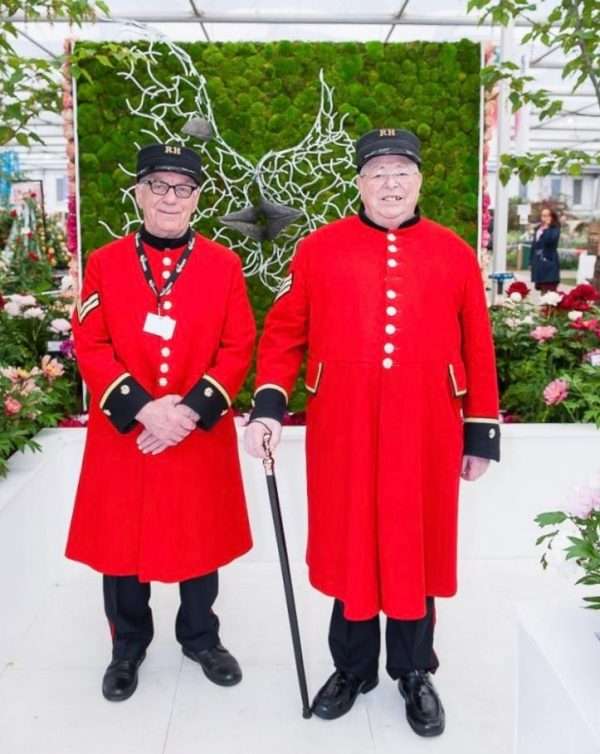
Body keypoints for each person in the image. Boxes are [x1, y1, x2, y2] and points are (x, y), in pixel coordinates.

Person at [244, 129, 500, 737]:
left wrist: (480, 431)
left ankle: (413, 671)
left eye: (401, 172)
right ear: (359, 183)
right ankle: (353, 668)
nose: (390, 184)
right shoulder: (319, 249)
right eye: (377, 173)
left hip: (427, 426)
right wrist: (269, 408)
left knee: (413, 542)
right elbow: (285, 333)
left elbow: (477, 344)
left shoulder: (455, 252)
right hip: (345, 425)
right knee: (353, 539)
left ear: (418, 182)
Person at [66, 143, 256, 702]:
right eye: (158, 186)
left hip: (195, 431)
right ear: (139, 194)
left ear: (198, 198)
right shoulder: (104, 262)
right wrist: (143, 407)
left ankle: (201, 637)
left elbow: (238, 343)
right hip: (127, 430)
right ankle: (128, 644)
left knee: (199, 534)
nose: (170, 198)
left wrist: (190, 410)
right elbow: (91, 341)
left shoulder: (224, 265)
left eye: (183, 188)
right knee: (122, 539)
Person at [530, 206, 561, 292]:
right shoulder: (538, 229)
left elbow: (549, 241)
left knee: (550, 291)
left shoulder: (555, 229)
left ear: (552, 217)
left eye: (547, 215)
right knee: (542, 290)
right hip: (539, 264)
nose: (545, 218)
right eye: (543, 216)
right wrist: (531, 262)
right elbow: (534, 246)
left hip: (549, 263)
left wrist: (547, 228)